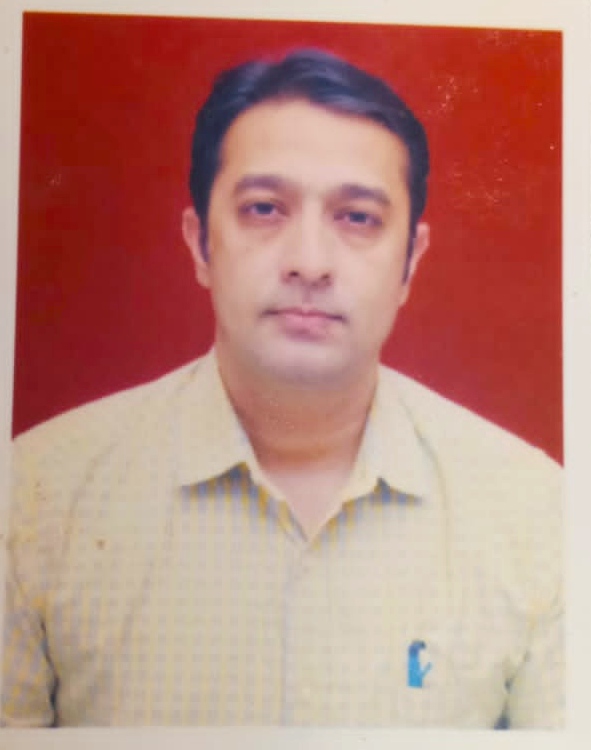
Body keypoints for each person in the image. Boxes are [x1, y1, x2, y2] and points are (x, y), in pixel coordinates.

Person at [1, 48, 562, 728]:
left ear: (410, 262)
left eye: (357, 217)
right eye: (264, 209)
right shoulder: (35, 497)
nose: (309, 263)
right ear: (200, 243)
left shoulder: (536, 511)